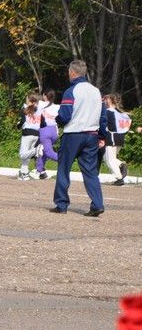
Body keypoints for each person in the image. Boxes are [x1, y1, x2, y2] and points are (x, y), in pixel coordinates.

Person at [51, 60, 106, 216]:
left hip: (73, 135)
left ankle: (61, 204)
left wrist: (58, 120)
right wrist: (102, 136)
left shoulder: (71, 91)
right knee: (90, 171)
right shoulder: (97, 92)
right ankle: (97, 204)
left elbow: (65, 116)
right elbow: (103, 117)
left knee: (63, 168)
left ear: (73, 73)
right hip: (92, 135)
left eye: (69, 72)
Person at [102, 94, 132, 186]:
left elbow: (104, 125)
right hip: (120, 138)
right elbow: (127, 125)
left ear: (110, 101)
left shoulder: (108, 112)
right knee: (109, 158)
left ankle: (119, 175)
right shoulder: (121, 113)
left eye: (106, 100)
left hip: (111, 137)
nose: (104, 102)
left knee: (109, 160)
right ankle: (120, 167)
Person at [17, 93, 44, 180]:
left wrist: (18, 126)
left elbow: (21, 121)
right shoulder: (40, 109)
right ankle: (24, 173)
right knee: (27, 155)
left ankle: (37, 150)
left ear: (29, 100)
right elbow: (43, 123)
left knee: (22, 154)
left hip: (27, 134)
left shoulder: (25, 108)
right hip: (36, 134)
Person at [36, 89, 59, 179]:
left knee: (48, 152)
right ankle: (40, 170)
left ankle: (64, 160)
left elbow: (32, 101)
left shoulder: (41, 104)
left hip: (44, 130)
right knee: (44, 152)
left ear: (45, 95)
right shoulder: (57, 107)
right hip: (54, 131)